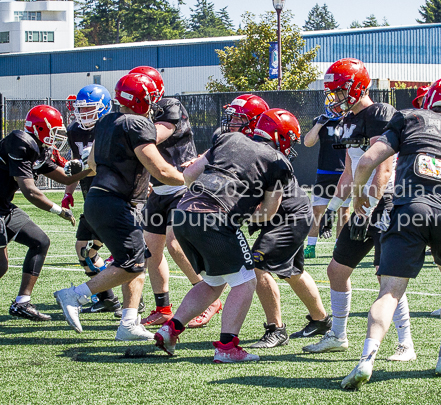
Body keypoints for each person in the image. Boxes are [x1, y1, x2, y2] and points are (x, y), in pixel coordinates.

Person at [341, 78, 441, 389]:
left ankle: (367, 359)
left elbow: (367, 159)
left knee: (390, 290)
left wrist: (357, 195)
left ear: (431, 97)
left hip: (410, 210)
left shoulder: (412, 118)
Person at [53, 73, 185, 341]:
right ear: (144, 99)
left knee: (137, 261)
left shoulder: (106, 121)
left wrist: (131, 176)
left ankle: (128, 322)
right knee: (133, 264)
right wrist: (193, 179)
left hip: (103, 199)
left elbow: (91, 163)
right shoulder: (138, 124)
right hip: (117, 203)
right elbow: (160, 169)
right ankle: (75, 295)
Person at [152, 115, 295, 363]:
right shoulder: (278, 161)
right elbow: (269, 212)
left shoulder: (228, 138)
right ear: (280, 137)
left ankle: (170, 329)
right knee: (245, 281)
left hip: (184, 212)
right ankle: (228, 346)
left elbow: (190, 174)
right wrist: (243, 214)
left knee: (213, 282)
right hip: (215, 216)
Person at [303, 58, 416, 363]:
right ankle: (338, 335)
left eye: (340, 90)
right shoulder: (344, 121)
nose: (335, 96)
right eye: (333, 90)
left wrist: (366, 209)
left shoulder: (380, 113)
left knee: (387, 278)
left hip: (388, 202)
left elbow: (384, 165)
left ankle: (405, 343)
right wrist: (334, 208)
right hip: (364, 205)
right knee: (336, 270)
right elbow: (350, 171)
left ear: (357, 86)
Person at [128, 66, 222, 328]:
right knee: (152, 252)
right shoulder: (136, 115)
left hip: (182, 186)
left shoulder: (170, 105)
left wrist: (123, 132)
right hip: (158, 190)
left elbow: (159, 133)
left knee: (175, 245)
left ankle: (209, 298)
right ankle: (163, 307)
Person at [244, 109, 332, 348]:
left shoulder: (270, 158)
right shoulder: (265, 152)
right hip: (288, 214)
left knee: (258, 264)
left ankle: (276, 329)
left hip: (288, 217)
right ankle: (321, 320)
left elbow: (269, 207)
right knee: (291, 271)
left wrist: (242, 216)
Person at [0, 105, 84, 321]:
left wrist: (93, 166)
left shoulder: (37, 148)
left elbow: (66, 179)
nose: (57, 138)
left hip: (3, 207)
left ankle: (22, 303)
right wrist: (59, 210)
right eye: (54, 131)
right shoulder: (19, 142)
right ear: (40, 128)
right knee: (1, 266)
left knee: (40, 241)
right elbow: (30, 191)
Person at [63, 84, 122, 314]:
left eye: (90, 109)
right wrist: (69, 191)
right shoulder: (75, 130)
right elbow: (78, 166)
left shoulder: (114, 128)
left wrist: (87, 167)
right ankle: (107, 298)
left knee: (124, 255)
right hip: (92, 198)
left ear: (105, 108)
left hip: (112, 195)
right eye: (82, 109)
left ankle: (134, 303)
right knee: (83, 250)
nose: (84, 115)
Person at [302, 107, 350, 259]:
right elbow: (308, 143)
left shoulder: (353, 120)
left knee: (344, 211)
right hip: (325, 172)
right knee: (317, 211)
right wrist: (319, 124)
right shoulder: (321, 121)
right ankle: (310, 246)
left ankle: (339, 246)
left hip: (346, 173)